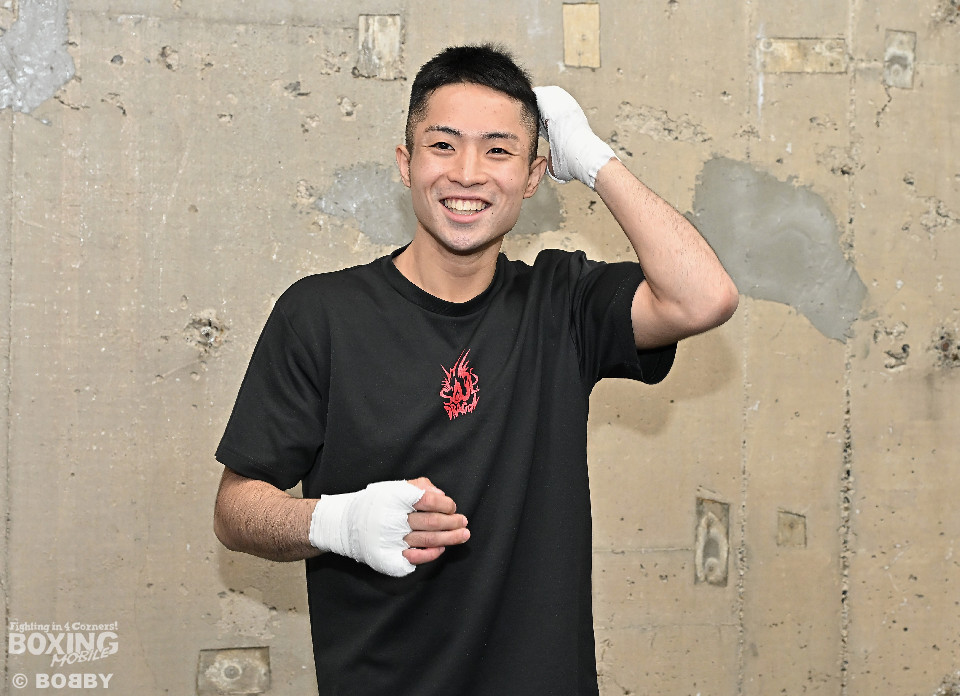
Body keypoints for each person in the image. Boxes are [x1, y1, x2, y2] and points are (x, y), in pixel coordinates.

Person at [213, 44, 738, 695]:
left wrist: (595, 160)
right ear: (405, 163)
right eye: (443, 146)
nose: (468, 173)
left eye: (498, 150)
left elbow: (704, 298)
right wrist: (337, 523)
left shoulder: (562, 303)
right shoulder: (320, 314)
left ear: (534, 175)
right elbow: (235, 510)